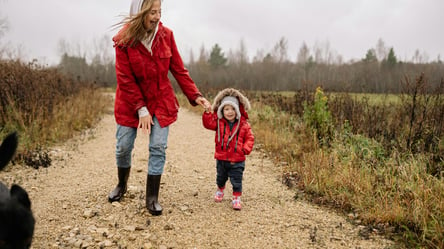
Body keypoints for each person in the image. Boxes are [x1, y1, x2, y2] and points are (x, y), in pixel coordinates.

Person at [108, 0, 211, 216]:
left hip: (160, 100)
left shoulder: (166, 36)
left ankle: (152, 197)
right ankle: (121, 184)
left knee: (158, 147)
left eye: (159, 12)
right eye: (152, 12)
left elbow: (179, 70)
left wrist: (196, 95)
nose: (156, 16)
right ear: (139, 13)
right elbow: (125, 79)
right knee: (124, 146)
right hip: (130, 102)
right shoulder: (123, 41)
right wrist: (141, 109)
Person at [202, 88, 255, 210]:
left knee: (237, 179)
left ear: (237, 110)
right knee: (221, 177)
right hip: (221, 158)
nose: (229, 112)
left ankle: (236, 197)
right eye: (226, 109)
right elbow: (208, 124)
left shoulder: (244, 125)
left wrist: (245, 149)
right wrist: (207, 113)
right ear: (222, 111)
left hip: (237, 159)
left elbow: (250, 138)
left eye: (232, 109)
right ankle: (220, 189)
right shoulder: (219, 123)